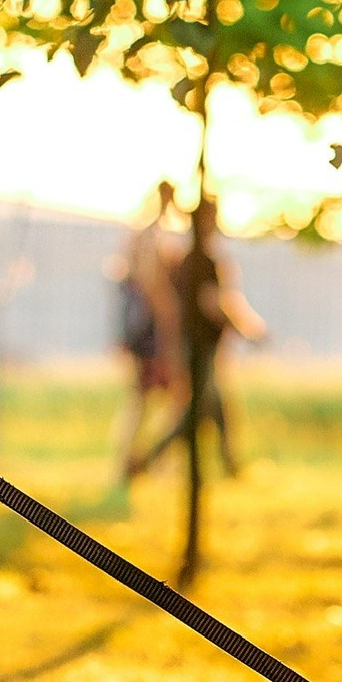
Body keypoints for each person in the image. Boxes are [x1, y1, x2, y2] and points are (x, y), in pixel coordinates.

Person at [131, 194, 266, 479]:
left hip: (198, 347)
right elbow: (214, 303)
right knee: (195, 414)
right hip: (198, 349)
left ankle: (231, 466)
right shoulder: (201, 259)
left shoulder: (191, 258)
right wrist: (248, 331)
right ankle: (144, 462)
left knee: (216, 409)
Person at [111, 180, 184, 477]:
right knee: (161, 401)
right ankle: (147, 464)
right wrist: (171, 330)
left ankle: (136, 462)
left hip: (142, 333)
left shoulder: (143, 234)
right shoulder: (152, 237)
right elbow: (154, 289)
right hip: (152, 334)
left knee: (144, 402)